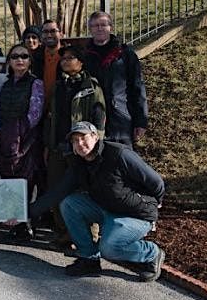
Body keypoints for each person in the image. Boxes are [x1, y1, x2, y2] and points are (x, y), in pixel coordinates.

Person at [28, 121, 165, 282]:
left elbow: (156, 182)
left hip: (135, 214)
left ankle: (151, 253)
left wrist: (156, 203)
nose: (79, 143)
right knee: (69, 203)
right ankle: (89, 259)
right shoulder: (79, 163)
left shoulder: (119, 154)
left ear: (95, 137)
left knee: (108, 248)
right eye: (74, 140)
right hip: (107, 209)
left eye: (83, 137)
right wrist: (25, 214)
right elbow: (57, 193)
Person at [45, 45, 106, 246]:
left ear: (80, 62)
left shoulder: (91, 87)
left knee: (82, 190)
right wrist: (49, 143)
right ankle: (64, 232)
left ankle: (88, 236)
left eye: (71, 58)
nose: (66, 61)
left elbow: (99, 117)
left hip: (81, 148)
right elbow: (51, 117)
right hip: (58, 146)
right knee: (56, 189)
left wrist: (95, 145)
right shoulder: (58, 86)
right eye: (63, 59)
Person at [0, 44, 45, 239]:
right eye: (15, 56)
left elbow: (35, 113)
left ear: (30, 61)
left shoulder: (35, 83)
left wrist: (19, 132)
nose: (19, 60)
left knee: (26, 179)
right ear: (9, 61)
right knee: (8, 176)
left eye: (24, 56)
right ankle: (11, 220)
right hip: (5, 138)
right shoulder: (5, 84)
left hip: (25, 139)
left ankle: (25, 222)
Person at [84, 11, 149, 146]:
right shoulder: (84, 56)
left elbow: (137, 86)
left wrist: (141, 121)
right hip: (92, 118)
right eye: (95, 26)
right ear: (90, 29)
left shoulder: (125, 54)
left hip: (121, 118)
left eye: (103, 24)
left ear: (111, 28)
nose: (100, 28)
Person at [40, 19, 64, 106]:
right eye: (45, 32)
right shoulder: (36, 57)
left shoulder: (69, 57)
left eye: (53, 31)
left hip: (61, 106)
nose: (49, 35)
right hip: (40, 107)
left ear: (61, 34)